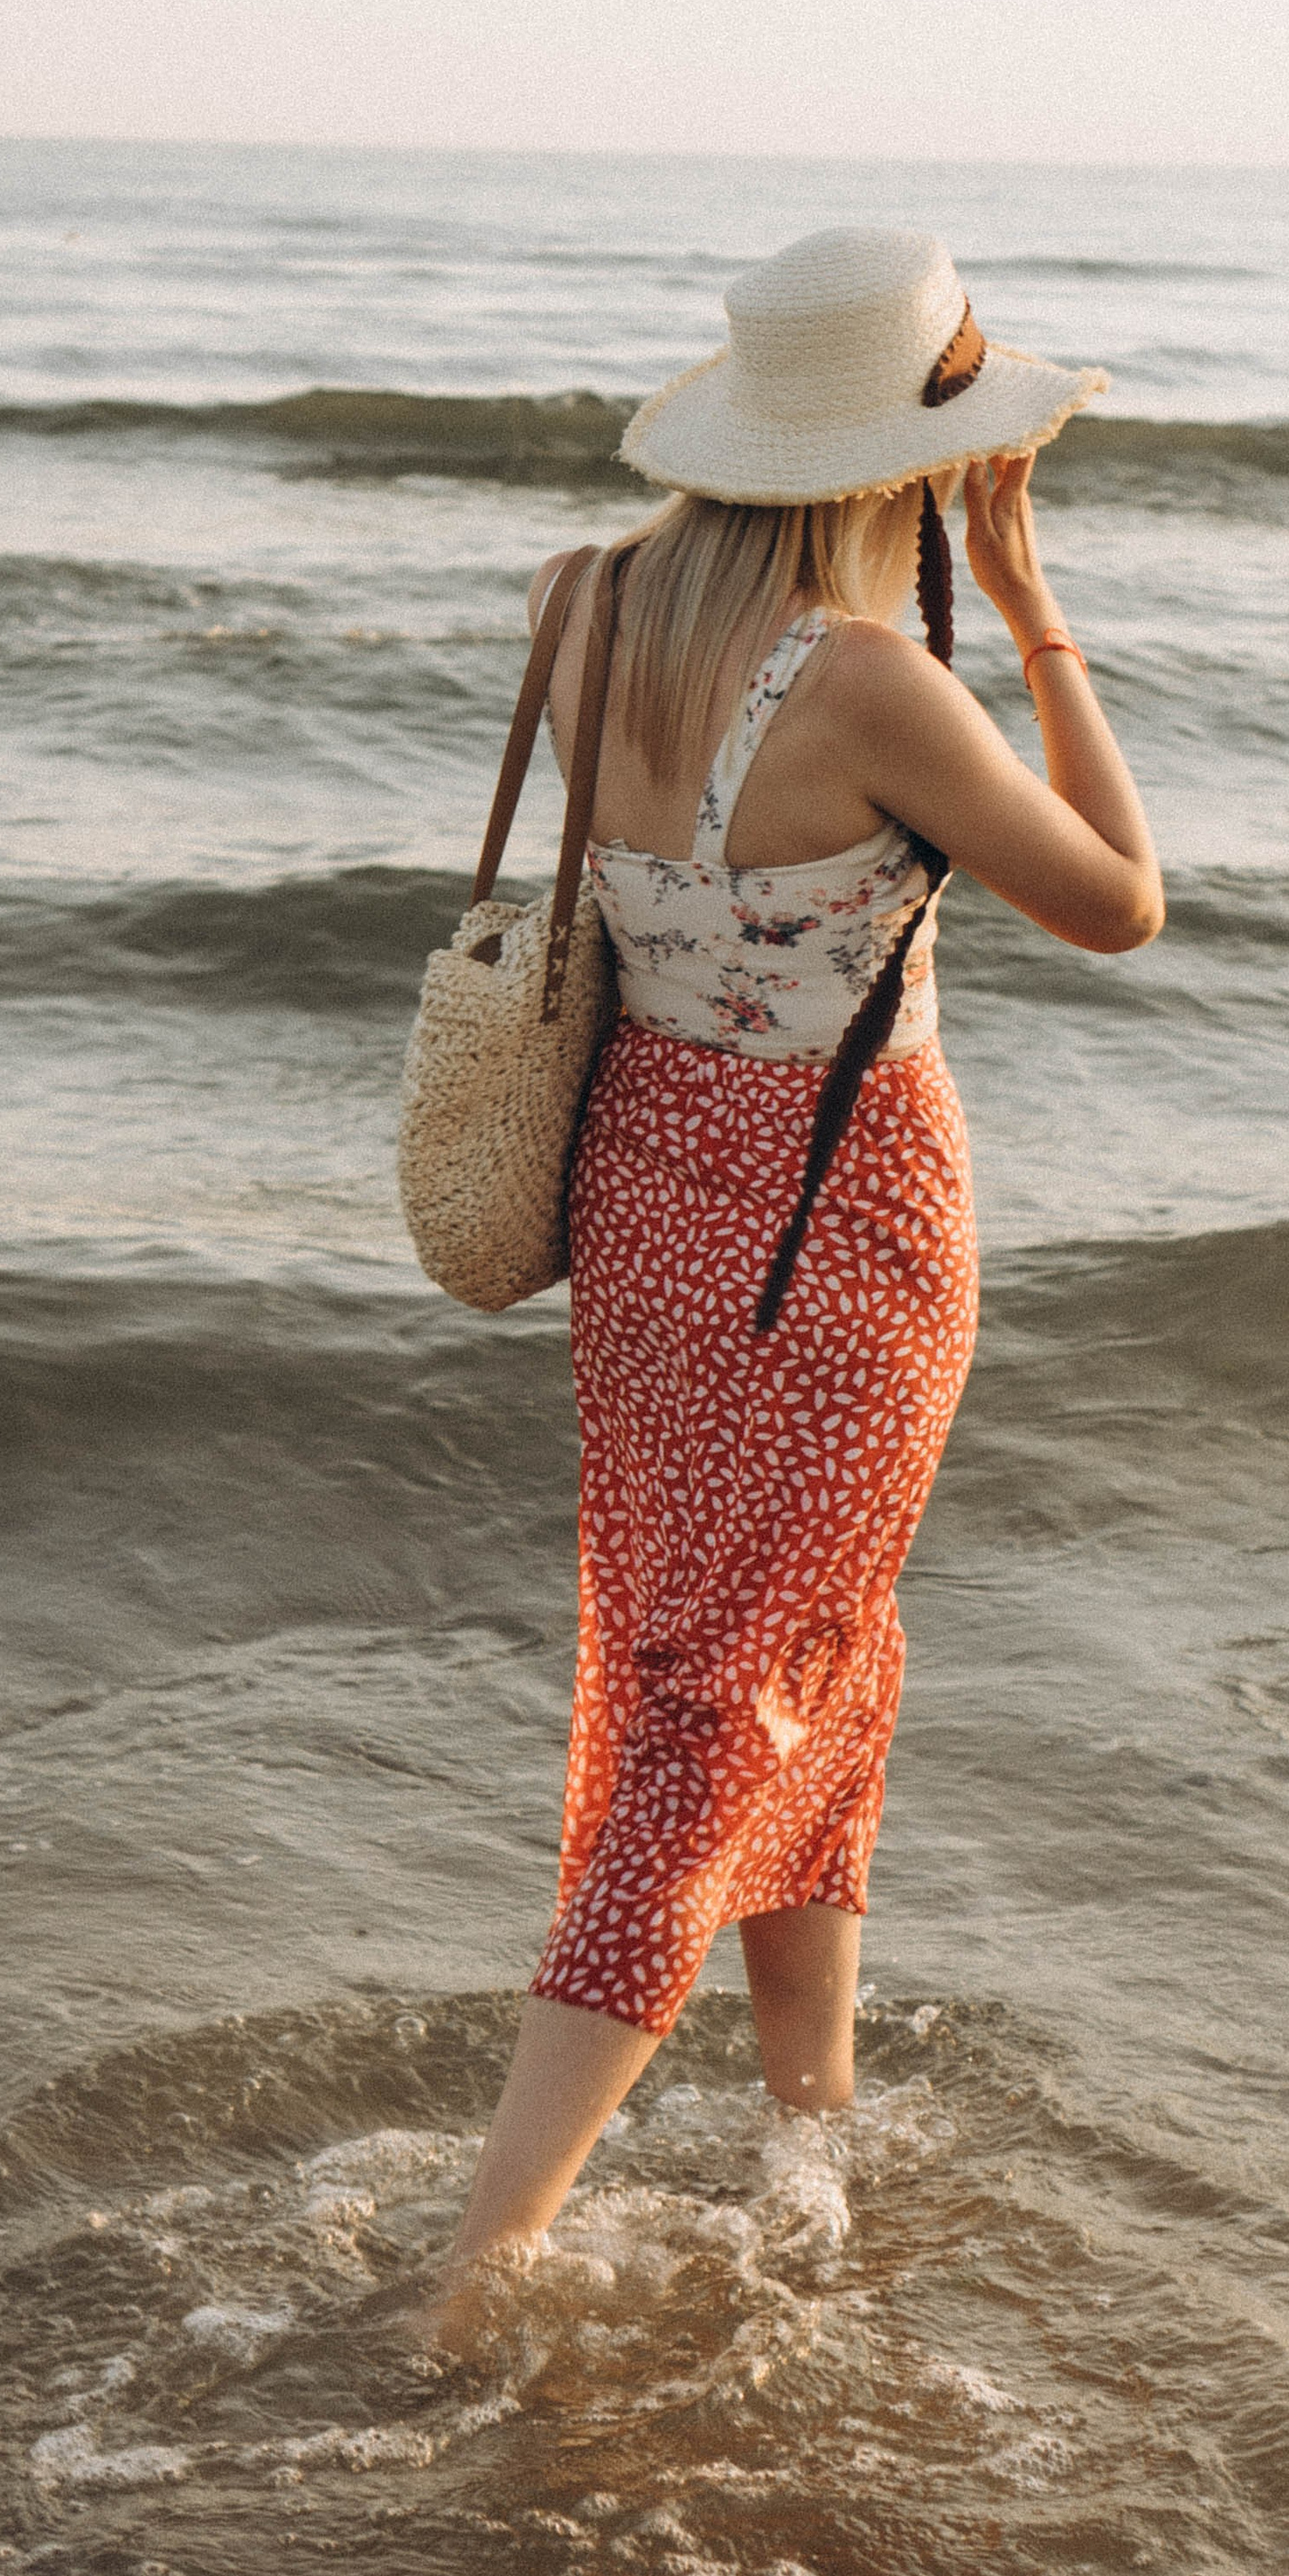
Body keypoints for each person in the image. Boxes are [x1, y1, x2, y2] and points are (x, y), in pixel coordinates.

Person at [445, 227, 1163, 2275]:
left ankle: (808, 2137)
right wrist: (1027, 609)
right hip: (842, 1233)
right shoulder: (869, 684)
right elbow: (1117, 902)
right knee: (725, 1712)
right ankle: (484, 2260)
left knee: (767, 1661)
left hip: (643, 1200)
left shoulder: (577, 601)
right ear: (900, 454)